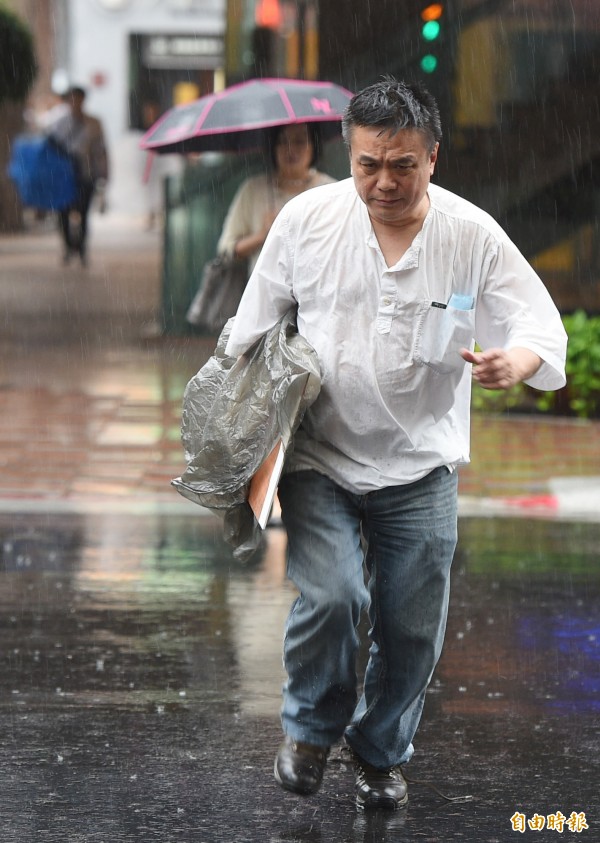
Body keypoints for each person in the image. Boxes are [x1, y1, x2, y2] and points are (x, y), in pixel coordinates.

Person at [224, 77, 567, 811]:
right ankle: (310, 731)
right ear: (349, 156)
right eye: (367, 164)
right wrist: (230, 427)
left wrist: (518, 361)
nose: (383, 182)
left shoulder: (471, 236)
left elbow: (541, 325)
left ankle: (380, 749)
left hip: (421, 462)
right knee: (334, 594)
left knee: (412, 627)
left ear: (433, 157)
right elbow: (249, 327)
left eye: (402, 165)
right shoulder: (306, 219)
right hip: (319, 455)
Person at [216, 122, 336, 273]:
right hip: (263, 294)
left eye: (299, 141)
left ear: (314, 145)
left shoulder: (331, 191)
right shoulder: (253, 190)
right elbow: (227, 250)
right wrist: (262, 236)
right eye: (282, 141)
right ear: (273, 147)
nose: (290, 149)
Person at [48, 86, 109, 265]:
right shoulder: (58, 123)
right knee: (63, 213)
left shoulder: (94, 123)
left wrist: (104, 173)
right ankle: (68, 247)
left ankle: (82, 249)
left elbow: (101, 150)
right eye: (72, 99)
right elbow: (51, 149)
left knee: (84, 213)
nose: (76, 102)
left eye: (79, 98)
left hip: (86, 173)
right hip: (63, 176)